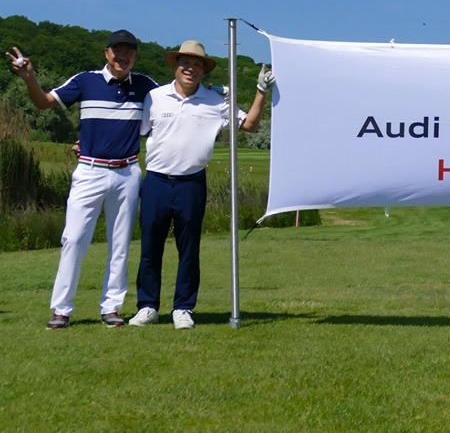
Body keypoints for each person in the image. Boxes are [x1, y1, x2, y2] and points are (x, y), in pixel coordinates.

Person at [6, 30, 158, 329]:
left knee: (120, 244)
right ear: (107, 53)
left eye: (129, 51)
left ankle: (111, 307)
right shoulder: (86, 80)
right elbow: (44, 103)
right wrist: (29, 79)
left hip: (127, 172)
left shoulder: (146, 86)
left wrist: (216, 92)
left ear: (135, 56)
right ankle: (61, 309)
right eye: (117, 51)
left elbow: (175, 101)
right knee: (74, 239)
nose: (123, 56)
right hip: (90, 171)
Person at [128, 40, 275, 329]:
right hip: (156, 181)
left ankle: (183, 308)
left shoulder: (216, 101)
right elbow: (136, 132)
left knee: (189, 249)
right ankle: (147, 306)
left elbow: (250, 125)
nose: (190, 69)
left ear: (203, 71)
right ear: (175, 65)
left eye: (197, 65)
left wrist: (260, 91)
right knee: (150, 248)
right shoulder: (155, 97)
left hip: (191, 183)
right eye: (185, 63)